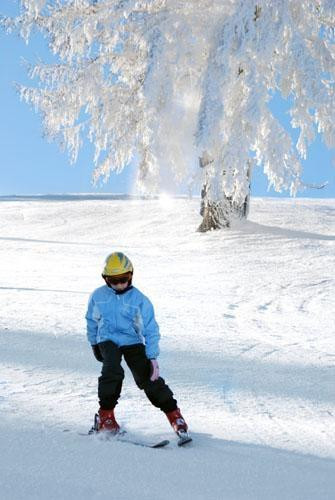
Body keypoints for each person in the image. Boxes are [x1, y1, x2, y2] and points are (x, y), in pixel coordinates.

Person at [86, 251, 189, 436]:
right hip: (107, 338)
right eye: (113, 280)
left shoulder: (140, 300)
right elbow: (91, 320)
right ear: (105, 279)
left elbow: (151, 329)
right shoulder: (98, 296)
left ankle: (174, 415)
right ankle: (105, 416)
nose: (119, 284)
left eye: (123, 279)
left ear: (131, 275)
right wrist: (94, 343)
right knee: (112, 370)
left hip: (131, 340)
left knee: (147, 377)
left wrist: (152, 357)